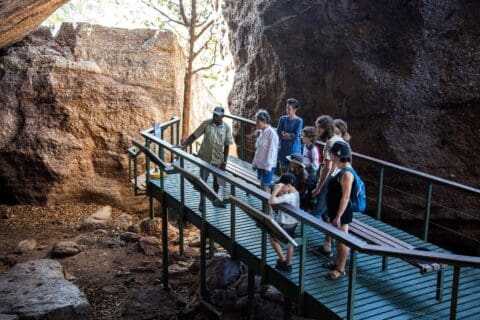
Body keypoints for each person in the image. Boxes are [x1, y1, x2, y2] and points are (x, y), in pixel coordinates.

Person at [179, 106, 233, 195]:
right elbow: (194, 135)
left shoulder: (227, 128)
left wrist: (225, 162)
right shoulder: (206, 124)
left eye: (217, 115)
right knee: (203, 181)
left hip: (218, 158)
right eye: (214, 114)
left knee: (217, 180)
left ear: (222, 117)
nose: (215, 117)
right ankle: (202, 203)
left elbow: (227, 145)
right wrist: (183, 145)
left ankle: (216, 198)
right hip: (205, 158)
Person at [311, 115, 344, 256]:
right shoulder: (339, 139)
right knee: (328, 214)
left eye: (319, 127)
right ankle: (327, 246)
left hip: (331, 182)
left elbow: (327, 167)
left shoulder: (330, 143)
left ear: (325, 128)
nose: (317, 130)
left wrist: (318, 187)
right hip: (341, 180)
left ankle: (296, 239)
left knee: (315, 213)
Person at [323, 141, 355, 280]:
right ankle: (337, 263)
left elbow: (346, 197)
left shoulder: (347, 173)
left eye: (331, 152)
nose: (329, 154)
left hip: (341, 213)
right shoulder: (339, 167)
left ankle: (340, 269)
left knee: (342, 241)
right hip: (335, 210)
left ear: (337, 155)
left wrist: (338, 217)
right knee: (337, 239)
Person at [268, 173, 299, 272]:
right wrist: (281, 191)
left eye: (282, 186)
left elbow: (271, 201)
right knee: (289, 242)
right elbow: (284, 196)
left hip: (284, 223)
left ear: (289, 185)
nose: (281, 187)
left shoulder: (288, 197)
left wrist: (276, 190)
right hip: (293, 222)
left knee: (272, 237)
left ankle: (283, 259)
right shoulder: (296, 193)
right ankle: (288, 263)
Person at [252, 109, 279, 192]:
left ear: (264, 121)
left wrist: (268, 166)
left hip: (267, 166)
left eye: (258, 121)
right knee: (262, 186)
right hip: (260, 164)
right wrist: (254, 163)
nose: (256, 123)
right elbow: (258, 150)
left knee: (264, 187)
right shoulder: (262, 132)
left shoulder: (272, 134)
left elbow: (272, 151)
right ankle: (267, 203)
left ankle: (269, 204)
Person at [277, 98, 303, 174]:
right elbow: (278, 133)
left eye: (289, 109)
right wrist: (289, 135)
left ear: (295, 110)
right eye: (286, 108)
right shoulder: (282, 119)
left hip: (294, 149)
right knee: (284, 170)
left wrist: (285, 134)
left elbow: (296, 136)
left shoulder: (299, 121)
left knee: (293, 171)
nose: (287, 110)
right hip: (283, 148)